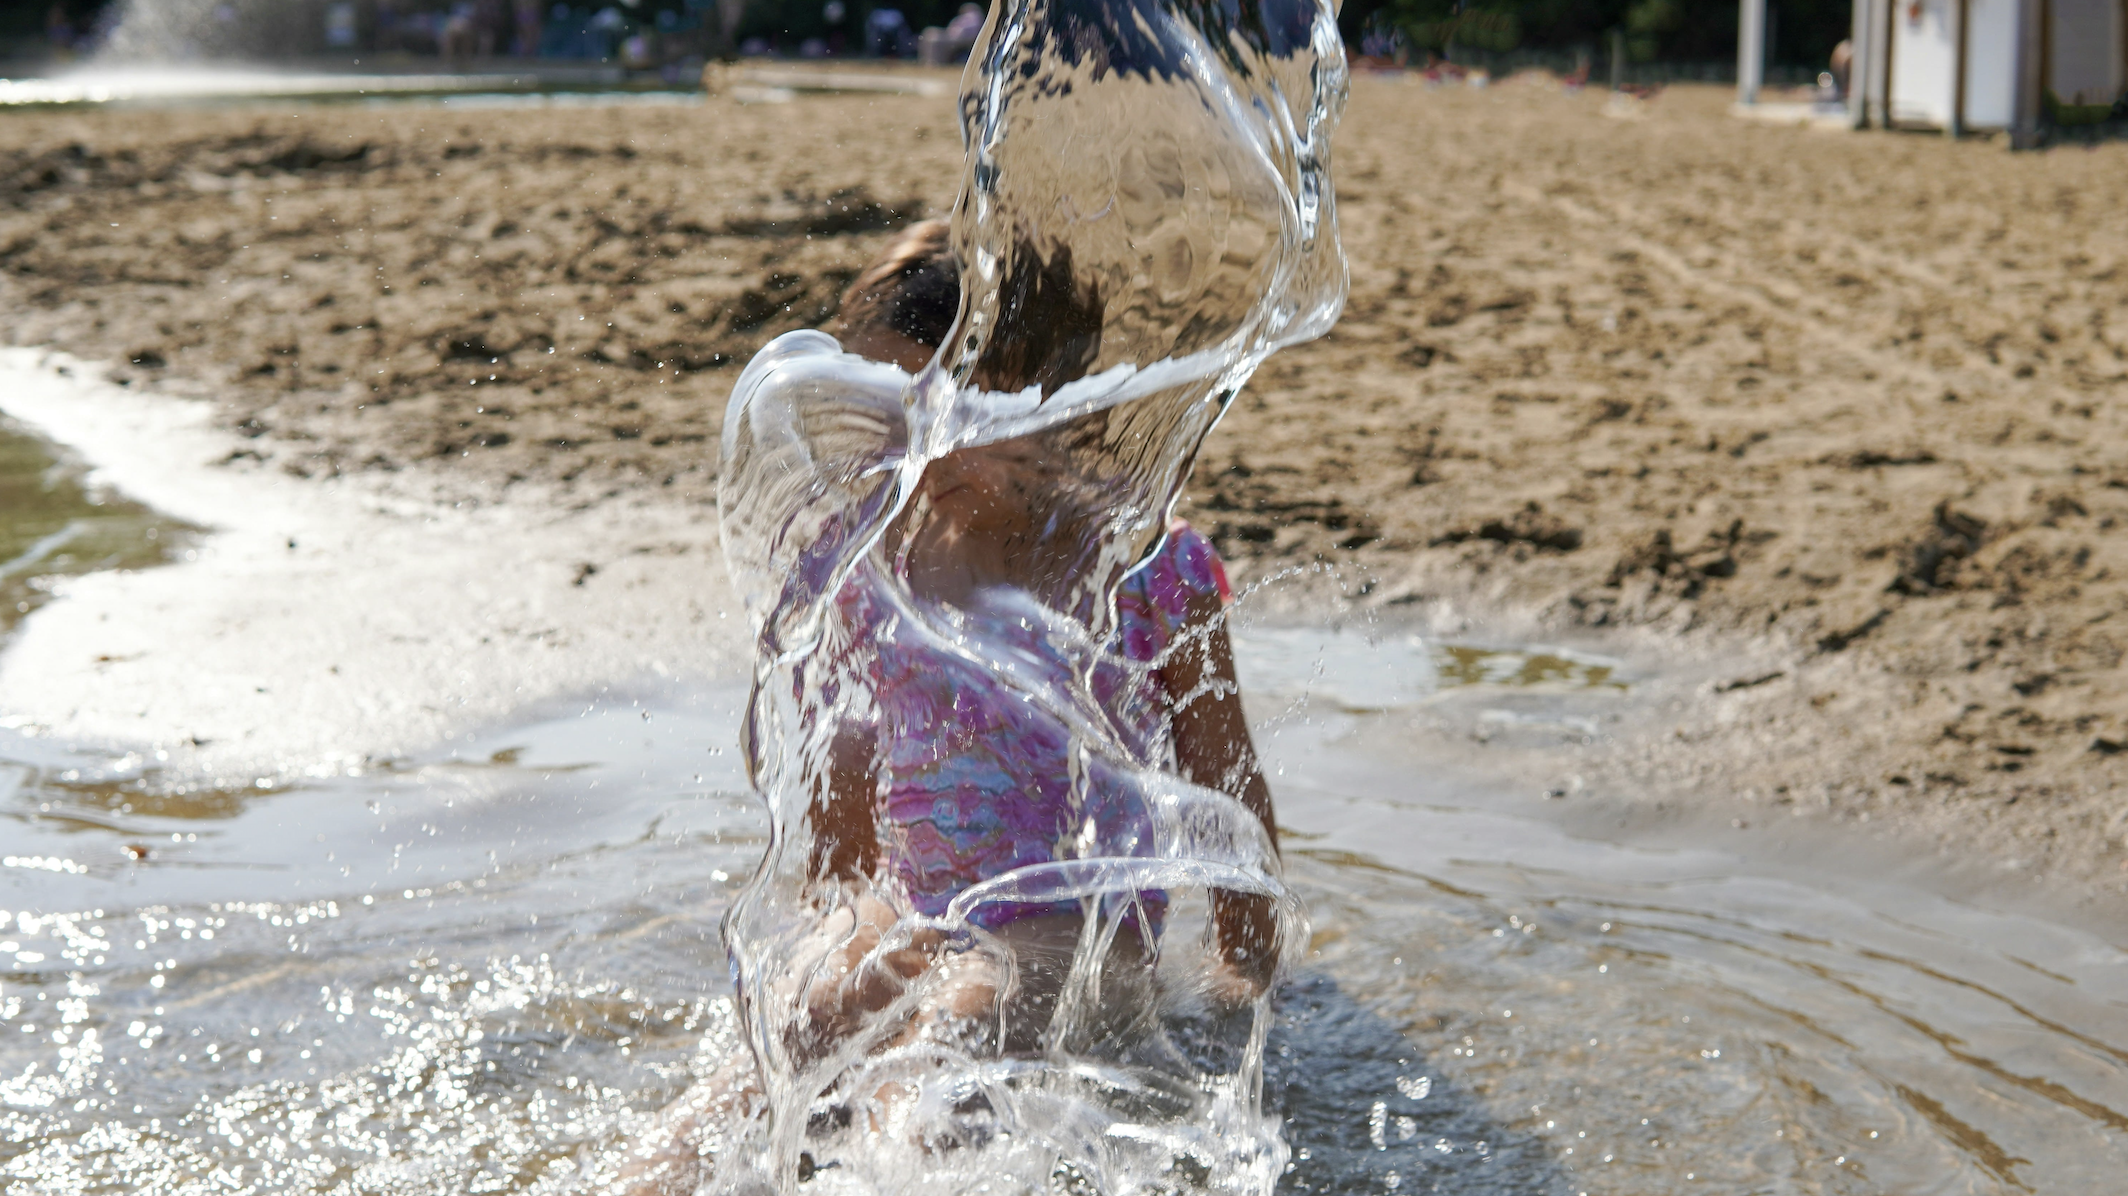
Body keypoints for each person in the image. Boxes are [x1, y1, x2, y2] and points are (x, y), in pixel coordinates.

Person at [614, 220, 1282, 1193]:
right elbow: (841, 785)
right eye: (889, 416)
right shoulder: (868, 558)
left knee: (937, 1072)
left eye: (949, 416)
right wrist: (833, 946)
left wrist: (1244, 974)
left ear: (1045, 400)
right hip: (911, 904)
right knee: (771, 1061)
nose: (916, 452)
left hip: (1072, 923)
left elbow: (1227, 776)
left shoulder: (1143, 565)